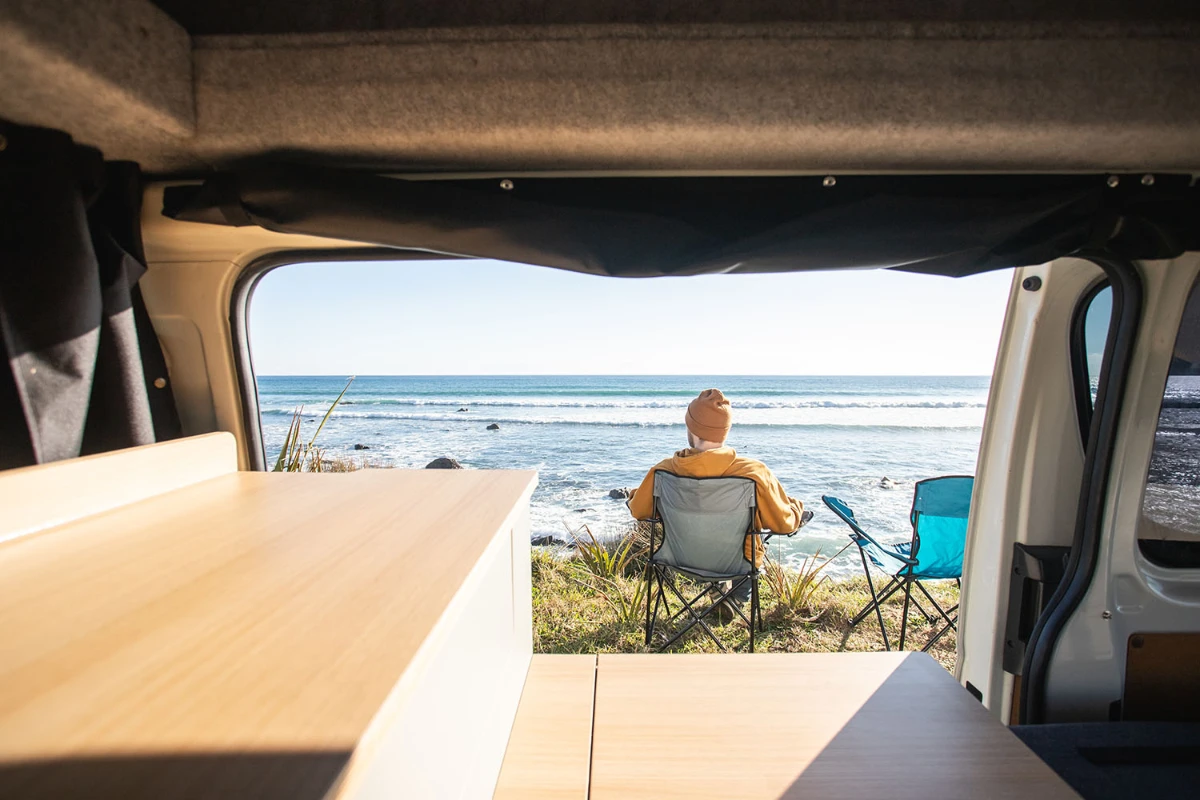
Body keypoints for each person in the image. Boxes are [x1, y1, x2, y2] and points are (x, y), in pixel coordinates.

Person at [627, 388, 809, 611]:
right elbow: (782, 524)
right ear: (724, 431)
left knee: (704, 535)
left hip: (681, 557)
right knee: (751, 543)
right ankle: (736, 600)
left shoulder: (662, 472)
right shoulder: (753, 473)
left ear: (691, 428)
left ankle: (716, 587)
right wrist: (796, 509)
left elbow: (638, 510)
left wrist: (634, 495)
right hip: (736, 563)